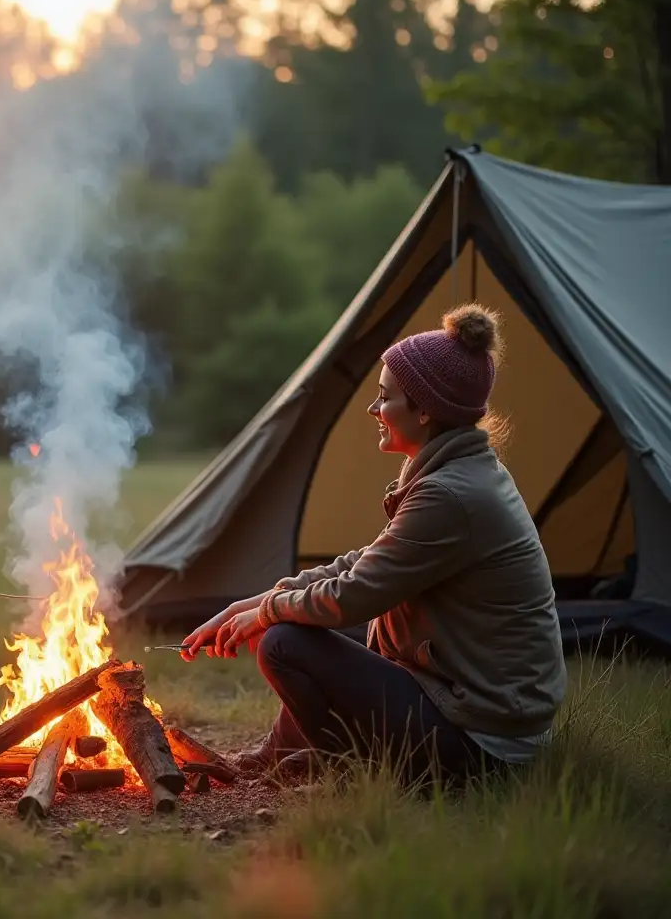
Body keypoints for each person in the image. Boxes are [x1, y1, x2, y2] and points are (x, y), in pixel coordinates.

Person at [181, 304, 568, 788]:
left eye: (385, 398)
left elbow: (352, 595)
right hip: (474, 712)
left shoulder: (449, 494)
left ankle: (352, 769)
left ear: (425, 410)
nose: (373, 410)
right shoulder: (457, 473)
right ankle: (277, 754)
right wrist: (257, 601)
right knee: (305, 624)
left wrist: (266, 614)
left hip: (483, 744)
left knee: (285, 641)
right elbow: (364, 565)